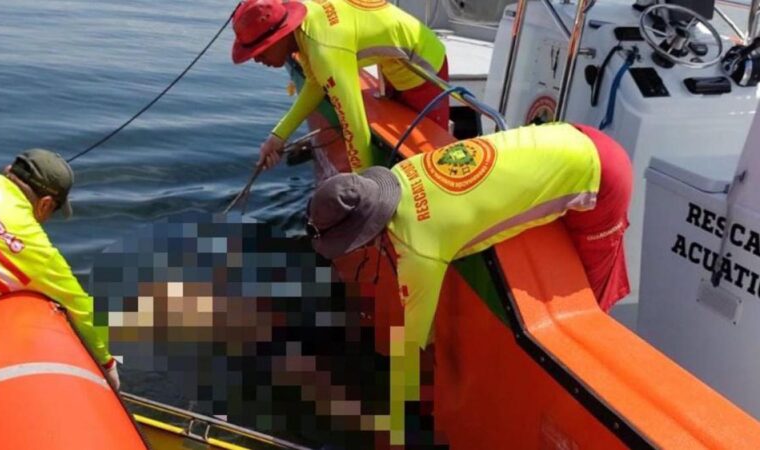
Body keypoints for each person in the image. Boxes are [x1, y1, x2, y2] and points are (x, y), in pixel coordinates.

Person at [305, 122, 633, 444]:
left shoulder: (419, 250)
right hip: (569, 133)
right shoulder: (407, 170)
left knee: (594, 300)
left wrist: (396, 417)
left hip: (602, 174)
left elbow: (414, 346)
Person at [0, 149, 119, 389]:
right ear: (45, 205)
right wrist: (108, 367)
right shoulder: (37, 250)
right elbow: (82, 311)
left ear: (8, 170)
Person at [231, 0, 449, 173]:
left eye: (260, 50)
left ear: (279, 36)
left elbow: (354, 125)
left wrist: (362, 190)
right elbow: (316, 83)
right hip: (393, 66)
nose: (256, 59)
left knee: (429, 158)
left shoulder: (325, 51)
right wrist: (277, 137)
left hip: (424, 67)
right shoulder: (306, 25)